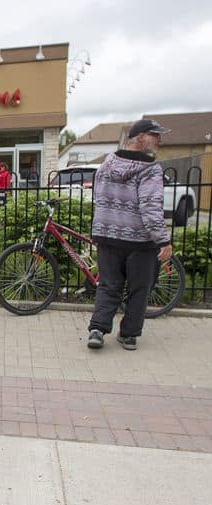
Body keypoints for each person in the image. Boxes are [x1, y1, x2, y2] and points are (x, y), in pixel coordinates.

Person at [87, 119, 173, 351]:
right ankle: (128, 335)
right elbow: (150, 206)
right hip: (139, 239)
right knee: (139, 287)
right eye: (156, 136)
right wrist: (162, 239)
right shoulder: (150, 169)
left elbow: (100, 198)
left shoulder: (107, 163)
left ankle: (97, 330)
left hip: (107, 235)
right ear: (141, 137)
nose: (160, 141)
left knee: (108, 285)